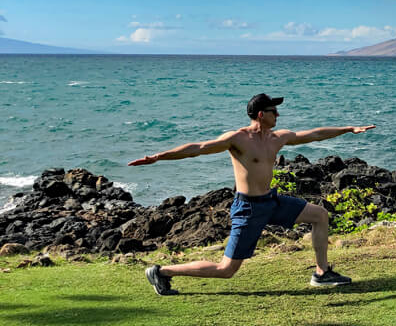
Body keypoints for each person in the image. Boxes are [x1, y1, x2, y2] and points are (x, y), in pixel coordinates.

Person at [128, 92, 375, 295]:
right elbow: (198, 148)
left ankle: (322, 273)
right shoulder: (238, 139)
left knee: (320, 215)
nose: (277, 114)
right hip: (248, 208)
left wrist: (348, 129)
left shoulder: (277, 138)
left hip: (272, 201)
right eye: (273, 111)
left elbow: (315, 134)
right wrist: (159, 157)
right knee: (226, 269)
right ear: (260, 114)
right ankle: (162, 272)